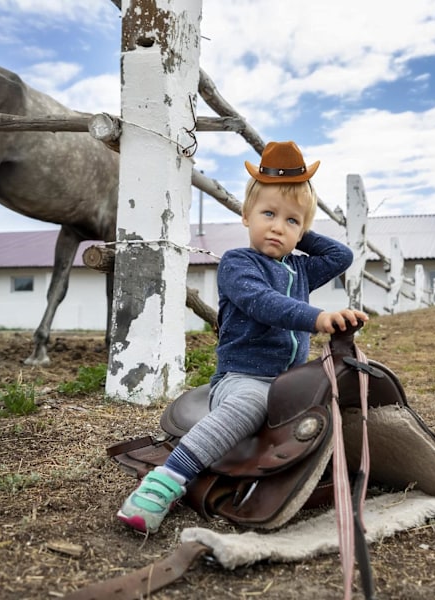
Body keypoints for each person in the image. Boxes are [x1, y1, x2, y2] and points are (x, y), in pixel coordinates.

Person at [117, 140, 369, 534]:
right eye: (268, 214)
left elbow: (341, 257)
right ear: (245, 216)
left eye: (290, 221)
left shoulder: (299, 269)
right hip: (243, 378)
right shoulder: (238, 264)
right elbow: (264, 303)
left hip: (287, 382)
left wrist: (296, 228)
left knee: (333, 400)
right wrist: (317, 317)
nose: (276, 227)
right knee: (251, 404)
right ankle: (166, 481)